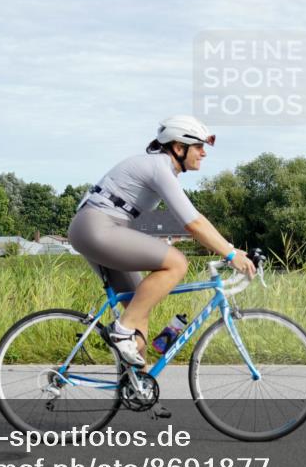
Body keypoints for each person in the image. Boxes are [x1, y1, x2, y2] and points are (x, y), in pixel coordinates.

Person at [67, 115, 256, 367]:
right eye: (199, 147)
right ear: (179, 148)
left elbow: (196, 219)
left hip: (97, 228)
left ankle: (138, 387)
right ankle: (120, 331)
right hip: (97, 227)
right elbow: (193, 223)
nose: (203, 153)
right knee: (177, 262)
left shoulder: (162, 169)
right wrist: (231, 256)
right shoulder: (160, 167)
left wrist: (231, 250)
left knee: (137, 309)